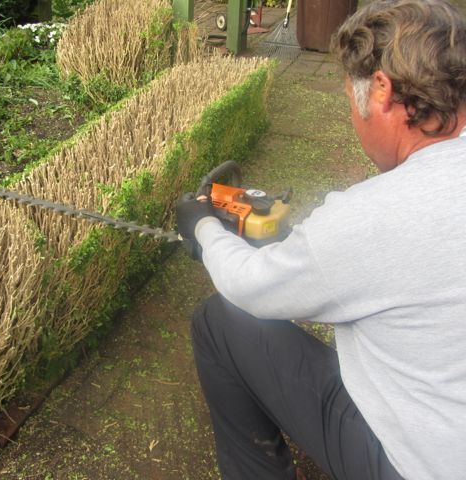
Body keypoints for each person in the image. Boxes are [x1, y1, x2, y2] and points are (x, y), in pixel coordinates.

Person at [175, 1, 466, 479]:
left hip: (422, 466)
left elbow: (252, 286)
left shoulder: (376, 214)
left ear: (381, 90)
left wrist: (203, 227)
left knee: (220, 321)